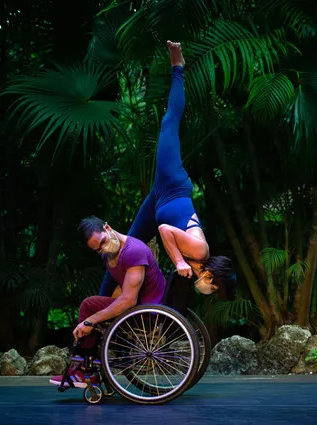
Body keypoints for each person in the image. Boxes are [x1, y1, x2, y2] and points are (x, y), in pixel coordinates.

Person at [98, 40, 237, 302]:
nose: (210, 291)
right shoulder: (200, 251)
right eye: (214, 289)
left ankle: (100, 316)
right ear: (212, 278)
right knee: (169, 122)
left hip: (157, 200)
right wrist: (178, 261)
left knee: (119, 250)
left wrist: (180, 266)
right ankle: (177, 67)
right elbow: (164, 230)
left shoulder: (191, 264)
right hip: (172, 183)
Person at [49, 216, 167, 388]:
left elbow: (128, 299)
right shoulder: (109, 254)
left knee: (90, 308)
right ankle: (87, 365)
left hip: (146, 311)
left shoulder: (134, 251)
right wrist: (106, 313)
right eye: (98, 249)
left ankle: (86, 371)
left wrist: (92, 320)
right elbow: (121, 288)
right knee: (92, 305)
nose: (103, 249)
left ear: (107, 227)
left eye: (103, 242)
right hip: (136, 304)